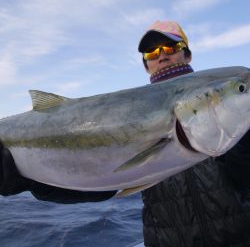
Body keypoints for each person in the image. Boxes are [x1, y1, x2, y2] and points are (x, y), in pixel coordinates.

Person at [0, 20, 249, 247]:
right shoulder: (129, 111)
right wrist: (27, 180)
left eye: (171, 47)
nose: (162, 56)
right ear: (146, 64)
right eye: (152, 52)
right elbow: (100, 182)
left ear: (187, 53)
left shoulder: (232, 116)